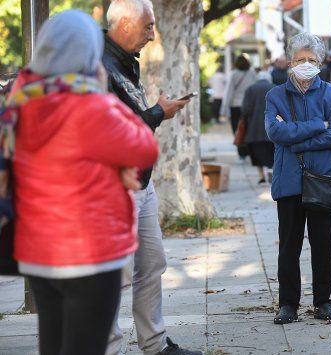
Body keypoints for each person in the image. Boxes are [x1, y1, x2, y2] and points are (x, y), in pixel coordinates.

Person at [4, 10, 158, 355]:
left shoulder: (21, 100)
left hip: (38, 254)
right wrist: (102, 91)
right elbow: (145, 147)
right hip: (89, 253)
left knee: (54, 345)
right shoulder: (90, 106)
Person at [102, 1, 202, 354]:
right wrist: (159, 112)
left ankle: (155, 343)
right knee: (116, 273)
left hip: (143, 181)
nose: (152, 35)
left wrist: (156, 111)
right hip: (115, 186)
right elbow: (115, 132)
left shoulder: (126, 60)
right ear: (126, 24)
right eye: (147, 27)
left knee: (152, 262)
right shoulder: (98, 65)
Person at [264, 32, 331, 324]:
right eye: (300, 59)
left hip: (324, 178)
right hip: (289, 180)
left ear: (320, 62)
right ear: (290, 62)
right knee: (289, 245)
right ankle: (287, 304)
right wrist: (319, 125)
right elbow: (275, 133)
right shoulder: (275, 95)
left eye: (311, 60)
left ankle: (323, 302)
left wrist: (297, 139)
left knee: (323, 243)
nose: (306, 64)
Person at [242, 71, 275, 184]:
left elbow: (245, 109)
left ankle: (261, 175)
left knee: (257, 152)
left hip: (254, 128)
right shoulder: (274, 88)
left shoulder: (250, 89)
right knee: (272, 152)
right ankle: (271, 171)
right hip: (271, 128)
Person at [222, 54, 258, 156]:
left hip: (236, 105)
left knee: (238, 129)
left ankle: (241, 153)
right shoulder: (252, 74)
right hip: (250, 105)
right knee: (250, 128)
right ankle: (250, 151)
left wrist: (224, 109)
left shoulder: (234, 74)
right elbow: (256, 87)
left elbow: (229, 91)